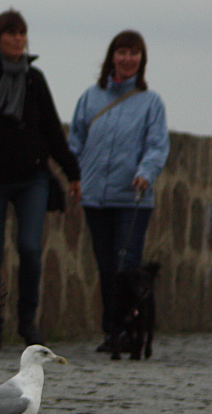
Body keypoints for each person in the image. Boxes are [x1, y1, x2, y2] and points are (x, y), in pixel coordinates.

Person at [0, 9, 81, 350]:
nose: (17, 39)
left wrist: (72, 172)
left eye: (22, 33)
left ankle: (28, 322)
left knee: (29, 247)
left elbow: (52, 130)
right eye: (10, 33)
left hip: (32, 178)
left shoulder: (34, 80)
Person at [68, 30, 170, 352]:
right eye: (123, 52)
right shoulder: (90, 97)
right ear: (113, 56)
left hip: (132, 196)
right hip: (95, 196)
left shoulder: (151, 102)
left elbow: (157, 145)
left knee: (128, 266)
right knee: (106, 266)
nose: (128, 59)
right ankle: (111, 330)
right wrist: (75, 174)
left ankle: (130, 331)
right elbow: (75, 141)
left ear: (142, 60)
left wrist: (145, 173)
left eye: (134, 53)